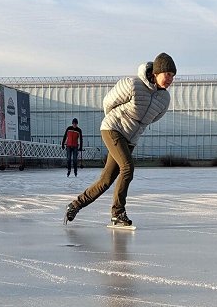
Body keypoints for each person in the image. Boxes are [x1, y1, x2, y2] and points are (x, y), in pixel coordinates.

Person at [64, 53, 177, 227]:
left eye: (173, 76)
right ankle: (118, 213)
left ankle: (75, 205)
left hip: (130, 138)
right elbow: (108, 102)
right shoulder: (133, 84)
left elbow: (153, 118)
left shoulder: (164, 99)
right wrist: (117, 121)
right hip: (113, 129)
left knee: (106, 180)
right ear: (156, 72)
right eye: (167, 74)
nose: (170, 79)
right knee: (128, 167)